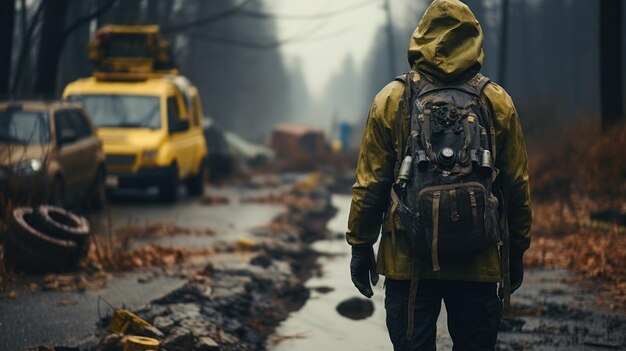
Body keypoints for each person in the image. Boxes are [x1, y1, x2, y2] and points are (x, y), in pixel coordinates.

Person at [346, 0, 532, 350]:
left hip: (408, 262)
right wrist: (517, 249)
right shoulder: (496, 101)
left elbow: (370, 182)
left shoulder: (393, 99)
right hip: (479, 261)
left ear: (421, 36)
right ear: (474, 38)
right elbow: (516, 184)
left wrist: (360, 245)